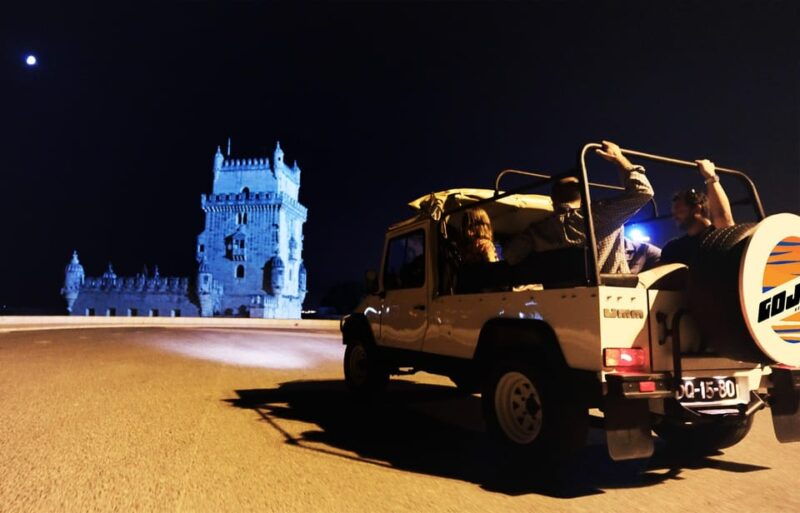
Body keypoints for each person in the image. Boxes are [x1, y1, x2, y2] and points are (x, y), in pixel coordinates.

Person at [504, 140, 654, 274]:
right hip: (610, 289)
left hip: (560, 292)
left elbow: (512, 257)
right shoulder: (599, 214)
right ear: (584, 197)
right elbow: (643, 191)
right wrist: (619, 158)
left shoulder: (538, 230)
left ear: (553, 200)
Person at [660, 159, 735, 265]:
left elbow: (722, 218)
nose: (674, 216)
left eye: (679, 210)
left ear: (697, 209)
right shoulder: (673, 248)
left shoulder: (717, 237)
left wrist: (710, 177)